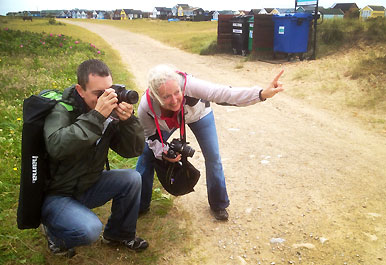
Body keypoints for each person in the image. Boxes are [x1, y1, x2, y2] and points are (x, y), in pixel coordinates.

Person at [136, 64, 284, 221]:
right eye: (166, 97)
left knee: (213, 156)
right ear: (155, 96)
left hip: (199, 114)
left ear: (180, 87)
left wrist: (261, 94)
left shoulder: (190, 84)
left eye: (177, 92)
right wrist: (164, 153)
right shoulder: (146, 107)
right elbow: (151, 136)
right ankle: (139, 204)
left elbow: (225, 94)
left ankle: (218, 204)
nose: (174, 100)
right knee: (146, 154)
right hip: (166, 122)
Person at [41, 59, 148, 257]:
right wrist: (97, 117)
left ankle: (118, 234)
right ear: (80, 90)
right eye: (99, 94)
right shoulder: (62, 110)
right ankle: (55, 233)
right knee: (89, 230)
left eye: (110, 91)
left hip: (87, 185)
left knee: (132, 179)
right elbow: (57, 146)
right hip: (57, 193)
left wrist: (128, 122)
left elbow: (132, 150)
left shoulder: (107, 114)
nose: (106, 98)